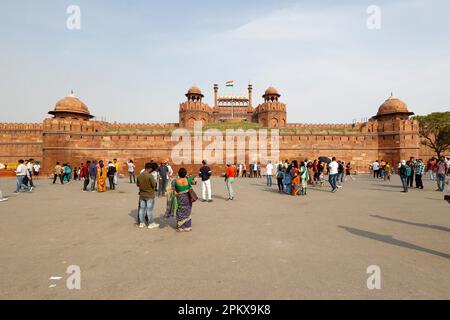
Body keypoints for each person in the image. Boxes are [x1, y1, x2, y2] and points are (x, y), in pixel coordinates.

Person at [136, 162, 159, 229]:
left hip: (142, 194)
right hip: (149, 195)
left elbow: (138, 184)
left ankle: (141, 223)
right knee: (149, 210)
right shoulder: (150, 176)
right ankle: (151, 223)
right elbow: (154, 185)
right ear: (150, 169)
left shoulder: (139, 175)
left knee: (142, 209)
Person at [173, 168, 195, 232]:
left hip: (180, 198)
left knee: (180, 210)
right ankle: (187, 227)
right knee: (188, 210)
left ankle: (180, 227)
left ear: (178, 174)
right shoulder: (188, 180)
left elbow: (173, 191)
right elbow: (193, 182)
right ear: (185, 174)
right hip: (188, 197)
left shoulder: (175, 181)